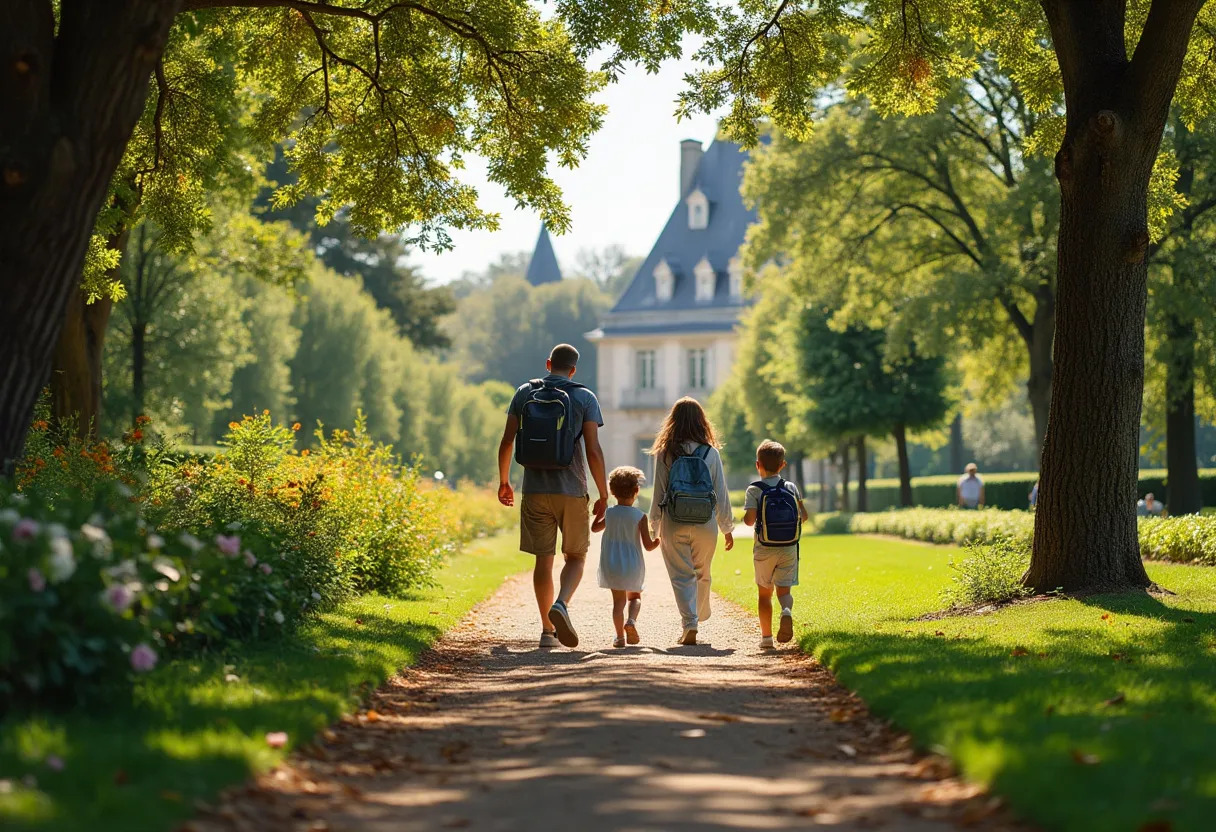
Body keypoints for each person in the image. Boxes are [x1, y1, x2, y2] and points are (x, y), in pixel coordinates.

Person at [498, 344, 608, 649]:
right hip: (572, 490)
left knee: (542, 561)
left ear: (548, 363)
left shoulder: (524, 392)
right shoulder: (585, 396)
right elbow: (593, 451)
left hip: (534, 488)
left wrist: (504, 482)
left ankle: (547, 631)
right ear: (573, 370)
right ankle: (561, 603)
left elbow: (507, 441)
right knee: (575, 556)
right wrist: (603, 493)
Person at [648, 397, 734, 646]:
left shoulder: (665, 453)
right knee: (702, 572)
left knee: (680, 575)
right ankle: (698, 616)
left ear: (672, 422)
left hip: (673, 521)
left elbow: (659, 493)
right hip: (705, 521)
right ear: (701, 422)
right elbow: (721, 492)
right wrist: (726, 528)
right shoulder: (711, 453)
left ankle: (690, 622)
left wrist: (655, 528)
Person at [743, 440, 808, 650]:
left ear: (757, 464)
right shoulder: (791, 487)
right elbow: (803, 516)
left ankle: (766, 638)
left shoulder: (754, 490)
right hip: (789, 547)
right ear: (783, 465)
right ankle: (786, 611)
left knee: (764, 594)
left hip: (764, 548)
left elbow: (750, 521)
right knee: (784, 591)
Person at [592, 466, 660, 648]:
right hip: (632, 563)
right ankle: (631, 620)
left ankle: (619, 637)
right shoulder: (639, 516)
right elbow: (648, 546)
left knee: (617, 602)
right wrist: (658, 540)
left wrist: (600, 511)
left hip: (611, 563)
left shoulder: (610, 513)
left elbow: (594, 528)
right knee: (634, 596)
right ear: (636, 491)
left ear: (612, 491)